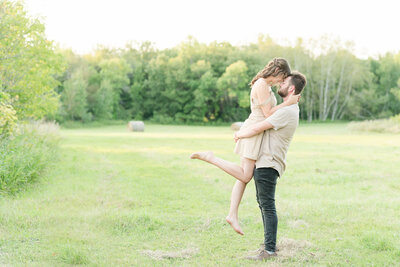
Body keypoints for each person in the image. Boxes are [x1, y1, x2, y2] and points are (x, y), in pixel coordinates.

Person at [190, 58, 299, 235]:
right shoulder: (262, 84)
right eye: (283, 77)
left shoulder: (266, 86)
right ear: (278, 70)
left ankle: (232, 214)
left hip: (256, 133)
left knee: (242, 175)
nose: (282, 81)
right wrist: (289, 103)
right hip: (252, 132)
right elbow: (268, 113)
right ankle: (211, 158)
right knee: (245, 175)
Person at [233, 71, 307, 261]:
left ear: (291, 88)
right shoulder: (288, 108)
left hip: (269, 162)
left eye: (283, 83)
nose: (279, 84)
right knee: (264, 204)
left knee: (267, 206)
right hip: (265, 161)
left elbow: (259, 127)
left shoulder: (287, 111)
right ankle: (268, 246)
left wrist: (240, 134)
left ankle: (270, 250)